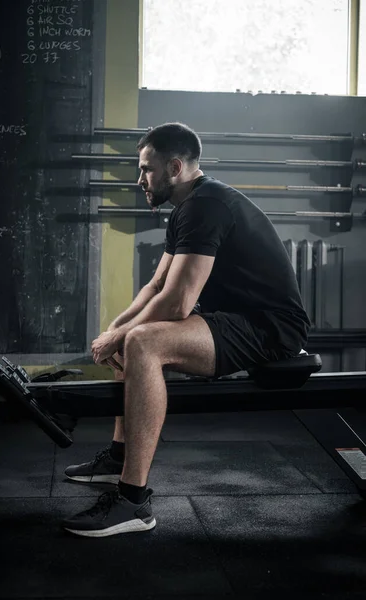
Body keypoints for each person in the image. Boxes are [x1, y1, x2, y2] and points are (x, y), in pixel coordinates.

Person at [62, 122, 311, 538]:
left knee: (142, 341)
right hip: (233, 320)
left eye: (146, 169)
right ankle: (117, 457)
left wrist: (125, 334)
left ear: (175, 167)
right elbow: (157, 285)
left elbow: (177, 303)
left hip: (270, 328)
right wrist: (116, 326)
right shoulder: (188, 206)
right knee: (130, 335)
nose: (139, 179)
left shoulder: (206, 206)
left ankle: (132, 501)